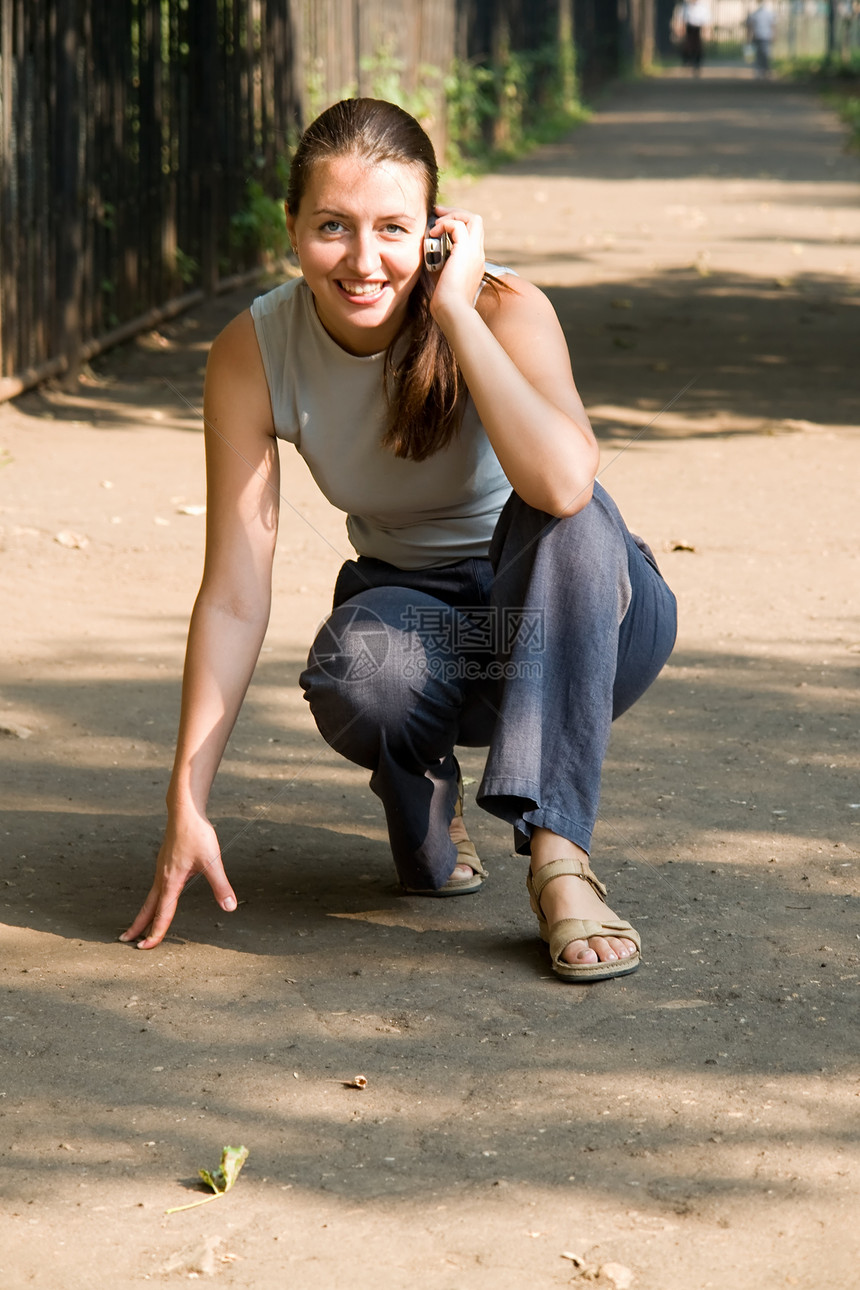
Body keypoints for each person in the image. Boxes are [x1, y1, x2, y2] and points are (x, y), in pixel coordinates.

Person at [120, 98, 677, 983]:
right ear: (292, 227)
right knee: (362, 673)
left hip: (577, 620)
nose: (363, 258)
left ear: (435, 232)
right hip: (435, 634)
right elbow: (233, 589)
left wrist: (457, 313)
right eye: (332, 226)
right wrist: (186, 800)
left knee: (562, 513)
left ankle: (559, 861)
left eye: (393, 228)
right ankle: (421, 784)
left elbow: (567, 486)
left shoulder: (504, 309)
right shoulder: (252, 352)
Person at [674, 1, 712, 74]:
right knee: (687, 45)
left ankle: (697, 62)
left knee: (698, 46)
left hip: (698, 29)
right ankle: (687, 60)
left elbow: (706, 21)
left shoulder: (702, 7)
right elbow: (681, 19)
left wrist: (707, 32)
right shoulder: (685, 6)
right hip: (689, 29)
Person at [746, 2, 776, 79]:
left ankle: (762, 70)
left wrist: (748, 37)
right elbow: (773, 25)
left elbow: (750, 26)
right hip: (763, 36)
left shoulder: (755, 14)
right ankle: (762, 70)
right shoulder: (766, 14)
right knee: (763, 53)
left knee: (762, 54)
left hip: (760, 36)